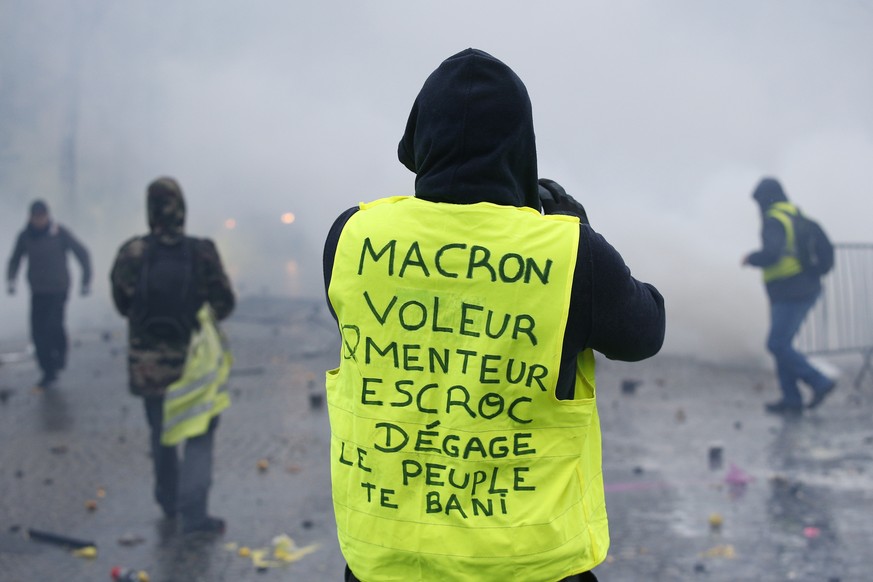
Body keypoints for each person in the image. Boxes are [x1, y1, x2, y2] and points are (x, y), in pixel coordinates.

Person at [322, 48, 665, 582]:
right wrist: (576, 226)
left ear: (419, 138)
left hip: (387, 561)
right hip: (530, 563)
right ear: (520, 147)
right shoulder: (570, 253)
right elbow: (646, 331)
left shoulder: (351, 237)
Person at [110, 177, 235, 534]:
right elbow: (224, 304)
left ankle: (167, 501)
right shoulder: (201, 252)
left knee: (160, 433)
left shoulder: (132, 253)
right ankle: (194, 514)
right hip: (194, 368)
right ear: (182, 210)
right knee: (199, 432)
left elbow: (122, 304)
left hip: (148, 367)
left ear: (150, 212)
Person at [742, 177, 836, 415]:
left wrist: (752, 258)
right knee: (782, 344)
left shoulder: (774, 220)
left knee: (777, 343)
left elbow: (773, 254)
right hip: (802, 287)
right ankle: (791, 399)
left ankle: (819, 382)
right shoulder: (794, 214)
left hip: (792, 291)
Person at [6, 199, 91, 388]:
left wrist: (86, 280)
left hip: (59, 289)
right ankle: (48, 370)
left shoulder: (60, 233)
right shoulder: (25, 236)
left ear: (47, 216)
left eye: (42, 217)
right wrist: (11, 279)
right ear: (30, 217)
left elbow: (82, 253)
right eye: (36, 217)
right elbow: (15, 259)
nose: (39, 221)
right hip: (38, 291)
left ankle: (60, 356)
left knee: (54, 326)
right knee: (38, 332)